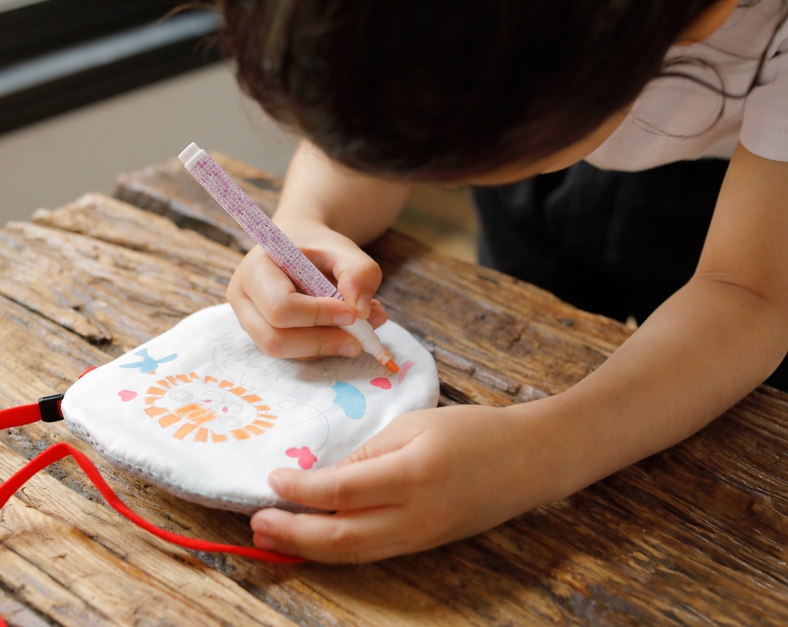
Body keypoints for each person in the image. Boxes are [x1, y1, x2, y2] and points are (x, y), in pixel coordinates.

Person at [213, 0, 788, 563]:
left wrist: (538, 453)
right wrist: (307, 217)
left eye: (448, 168)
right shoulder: (521, 78)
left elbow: (753, 294)